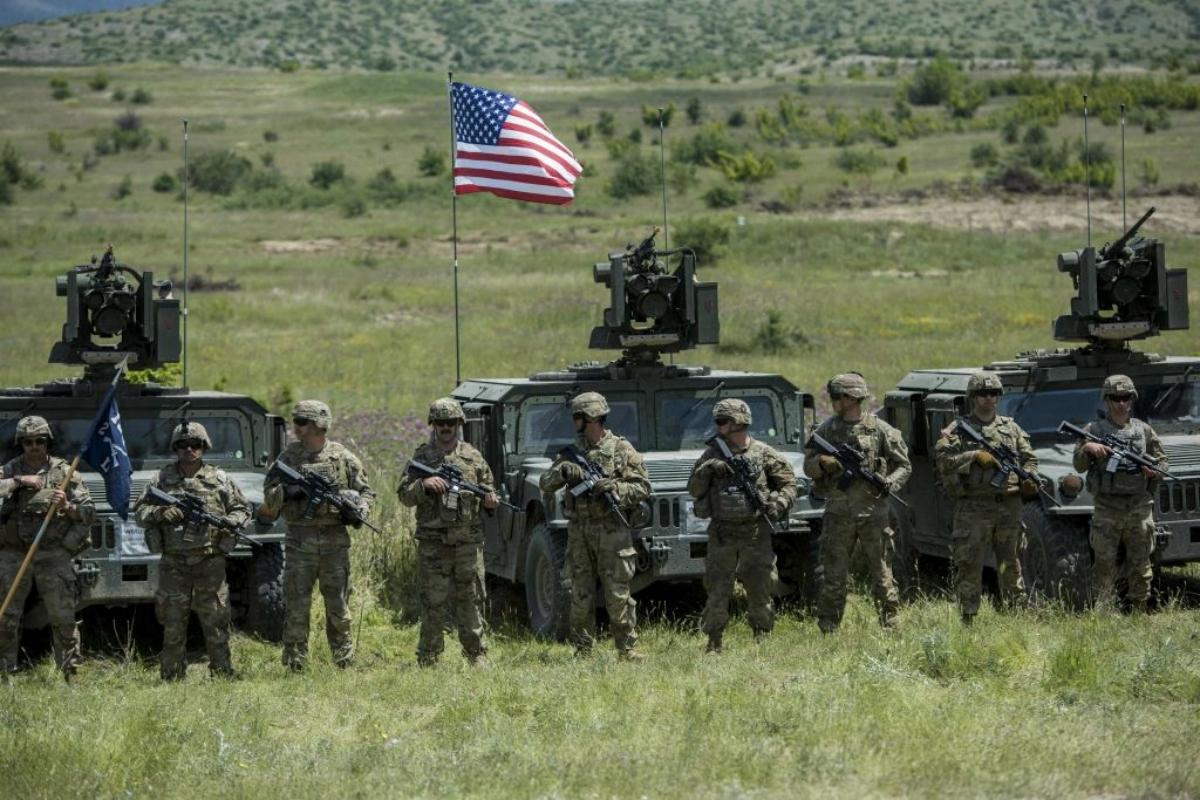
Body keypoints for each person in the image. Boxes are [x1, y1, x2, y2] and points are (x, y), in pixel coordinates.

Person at [258, 400, 374, 671]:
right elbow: (268, 499)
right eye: (296, 422)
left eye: (301, 422)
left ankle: (343, 660)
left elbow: (367, 492)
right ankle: (295, 662)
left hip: (335, 545)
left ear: (316, 426)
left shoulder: (343, 457)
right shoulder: (288, 458)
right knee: (297, 607)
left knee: (339, 607)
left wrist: (358, 510)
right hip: (299, 544)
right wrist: (289, 492)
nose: (296, 428)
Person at [133, 422, 249, 680]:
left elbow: (242, 509)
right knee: (173, 621)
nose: (189, 450)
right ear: (175, 448)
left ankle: (222, 673)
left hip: (210, 561)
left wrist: (233, 521)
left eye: (195, 445)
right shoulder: (161, 479)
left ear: (204, 447)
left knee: (216, 619)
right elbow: (139, 513)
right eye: (183, 445)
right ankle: (172, 675)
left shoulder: (219, 479)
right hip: (174, 563)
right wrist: (162, 512)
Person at [539, 392, 650, 660]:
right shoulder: (570, 453)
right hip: (580, 531)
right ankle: (583, 649)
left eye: (577, 416)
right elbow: (545, 482)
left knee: (618, 593)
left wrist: (614, 487)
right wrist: (562, 472)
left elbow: (643, 487)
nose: (574, 421)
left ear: (590, 417)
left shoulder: (622, 450)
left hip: (613, 531)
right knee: (579, 592)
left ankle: (626, 648)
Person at [803, 373, 910, 633]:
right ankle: (828, 628)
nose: (834, 402)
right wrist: (822, 463)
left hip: (874, 514)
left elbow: (904, 466)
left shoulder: (880, 429)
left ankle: (890, 626)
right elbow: (808, 466)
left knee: (883, 575)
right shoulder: (827, 429)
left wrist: (888, 483)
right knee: (833, 576)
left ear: (851, 398)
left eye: (837, 397)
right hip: (838, 514)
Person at [688, 399, 795, 653]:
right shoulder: (712, 454)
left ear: (738, 423)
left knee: (761, 587)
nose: (717, 426)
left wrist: (777, 504)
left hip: (755, 532)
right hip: (722, 534)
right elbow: (693, 488)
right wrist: (708, 469)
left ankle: (762, 639)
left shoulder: (763, 453)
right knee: (717, 589)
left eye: (722, 421)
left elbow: (790, 483)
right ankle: (714, 643)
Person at [397, 398, 497, 667]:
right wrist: (425, 484)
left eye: (450, 423)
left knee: (471, 600)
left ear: (459, 424)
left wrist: (490, 501)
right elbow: (404, 495)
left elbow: (489, 489)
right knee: (433, 602)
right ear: (433, 425)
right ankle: (429, 657)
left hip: (467, 542)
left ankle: (476, 654)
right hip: (433, 544)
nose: (445, 428)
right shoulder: (421, 457)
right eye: (440, 423)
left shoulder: (473, 457)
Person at [934, 372, 1039, 625]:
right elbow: (943, 461)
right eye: (983, 394)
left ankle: (1015, 615)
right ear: (973, 397)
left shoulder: (1010, 427)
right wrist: (973, 456)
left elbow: (1029, 458)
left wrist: (1030, 477)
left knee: (1011, 563)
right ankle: (968, 618)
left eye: (994, 394)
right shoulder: (958, 429)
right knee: (969, 564)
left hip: (1009, 505)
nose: (989, 399)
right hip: (973, 506)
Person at [0, 416, 94, 680]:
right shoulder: (9, 470)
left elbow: (89, 514)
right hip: (14, 554)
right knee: (6, 616)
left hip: (53, 554)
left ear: (47, 441)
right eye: (28, 441)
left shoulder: (65, 473)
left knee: (64, 618)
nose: (34, 446)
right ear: (21, 443)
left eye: (40, 440)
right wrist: (19, 482)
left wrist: (67, 507)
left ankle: (70, 674)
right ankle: (5, 674)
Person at [1073, 374, 1167, 612]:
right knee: (1104, 562)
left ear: (1132, 399)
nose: (1121, 403)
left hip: (1138, 505)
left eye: (1125, 397)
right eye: (1116, 398)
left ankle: (1139, 607)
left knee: (1141, 562)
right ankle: (1104, 610)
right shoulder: (1094, 429)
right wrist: (1088, 448)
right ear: (1107, 400)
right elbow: (1078, 466)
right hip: (1107, 506)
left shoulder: (1143, 430)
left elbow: (1163, 463)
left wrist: (1153, 470)